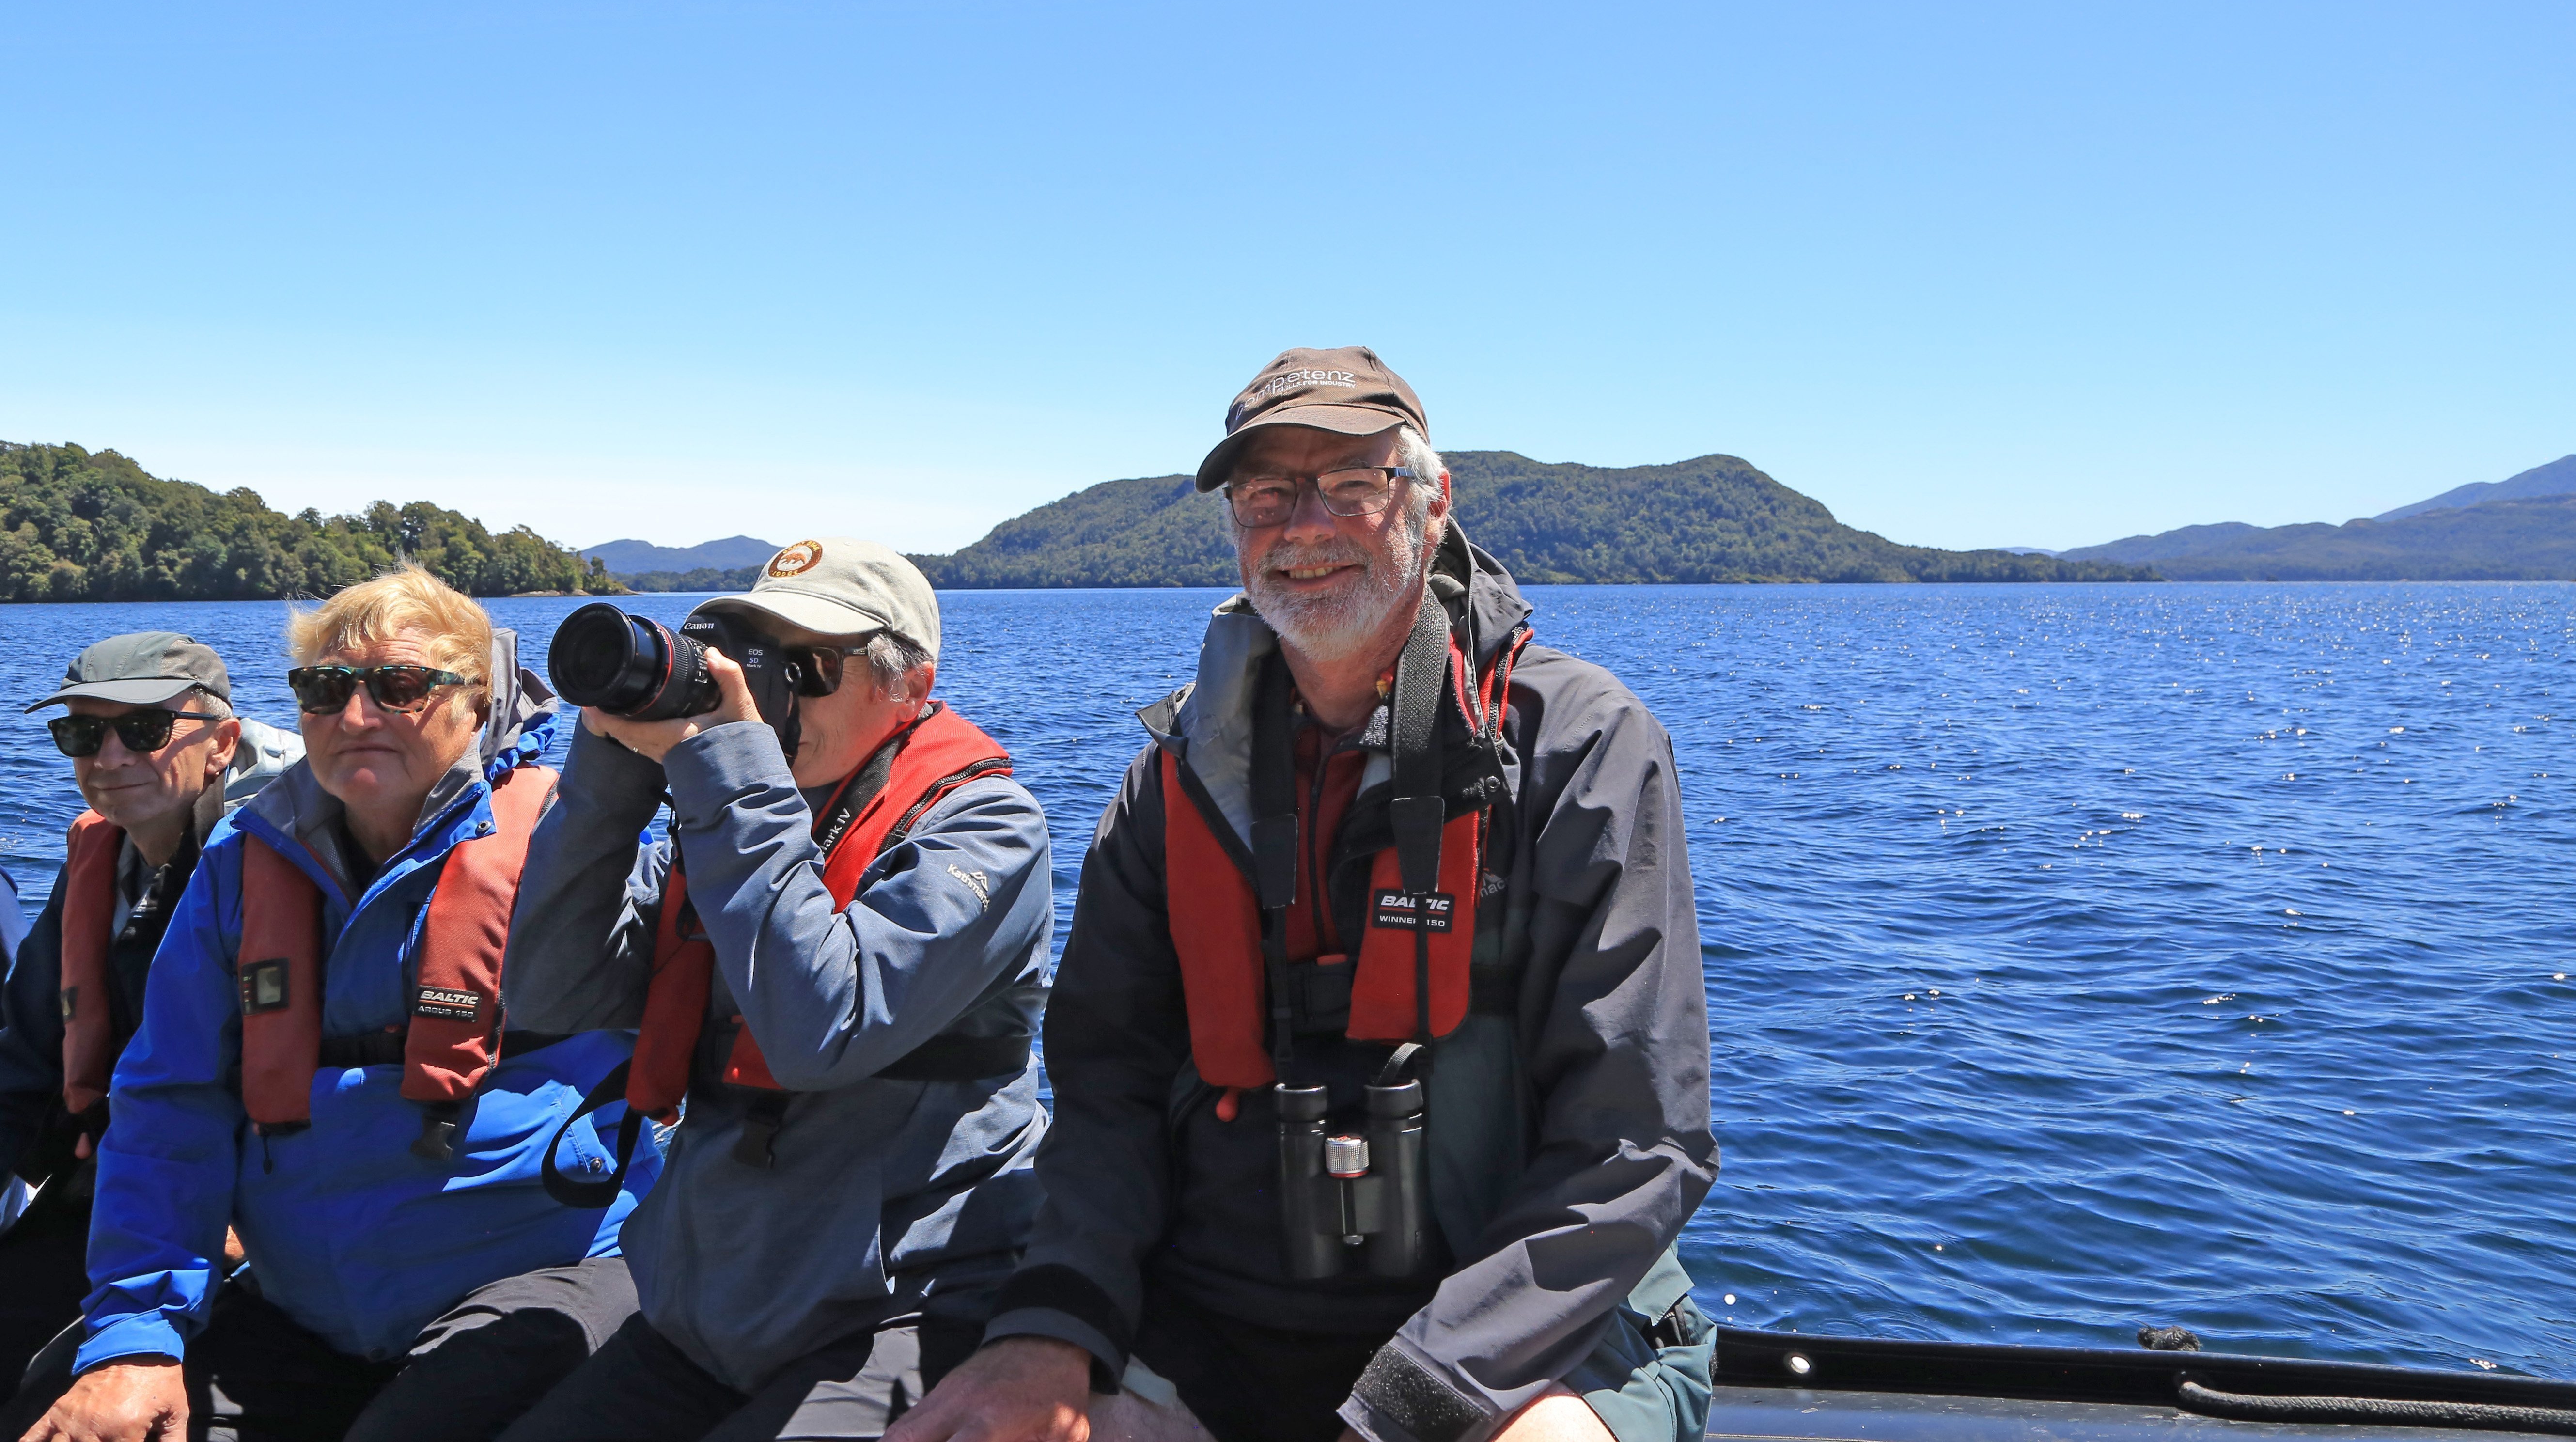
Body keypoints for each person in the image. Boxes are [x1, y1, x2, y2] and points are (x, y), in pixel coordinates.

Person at [893, 348, 1718, 1442]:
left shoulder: (1580, 744)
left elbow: (1637, 1141)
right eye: (1268, 494)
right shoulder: (1175, 773)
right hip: (1215, 1313)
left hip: (1513, 1331)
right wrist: (1054, 1325)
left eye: (1350, 483)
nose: (1303, 524)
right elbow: (1106, 1089)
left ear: (1430, 505)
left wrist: (1409, 1402)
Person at [8, 569, 660, 1442]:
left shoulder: (575, 837)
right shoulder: (243, 862)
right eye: (325, 688)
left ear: (475, 701)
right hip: (310, 1298)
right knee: (62, 1405)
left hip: (537, 1275)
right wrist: (139, 1337)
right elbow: (172, 1101)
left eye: (398, 687)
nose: (355, 717)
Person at [494, 541, 1053, 1442]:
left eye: (809, 669)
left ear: (910, 687)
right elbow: (548, 993)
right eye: (759, 661)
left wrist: (733, 771)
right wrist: (608, 778)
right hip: (708, 1305)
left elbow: (819, 1030)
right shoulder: (733, 814)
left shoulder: (986, 828)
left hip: (895, 1308)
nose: (773, 695)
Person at [0, 634, 302, 1389]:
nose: (108, 758)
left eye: (143, 730)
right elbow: (25, 1063)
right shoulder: (98, 864)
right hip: (122, 1180)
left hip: (263, 1209)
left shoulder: (302, 862)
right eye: (81, 733)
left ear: (222, 741)